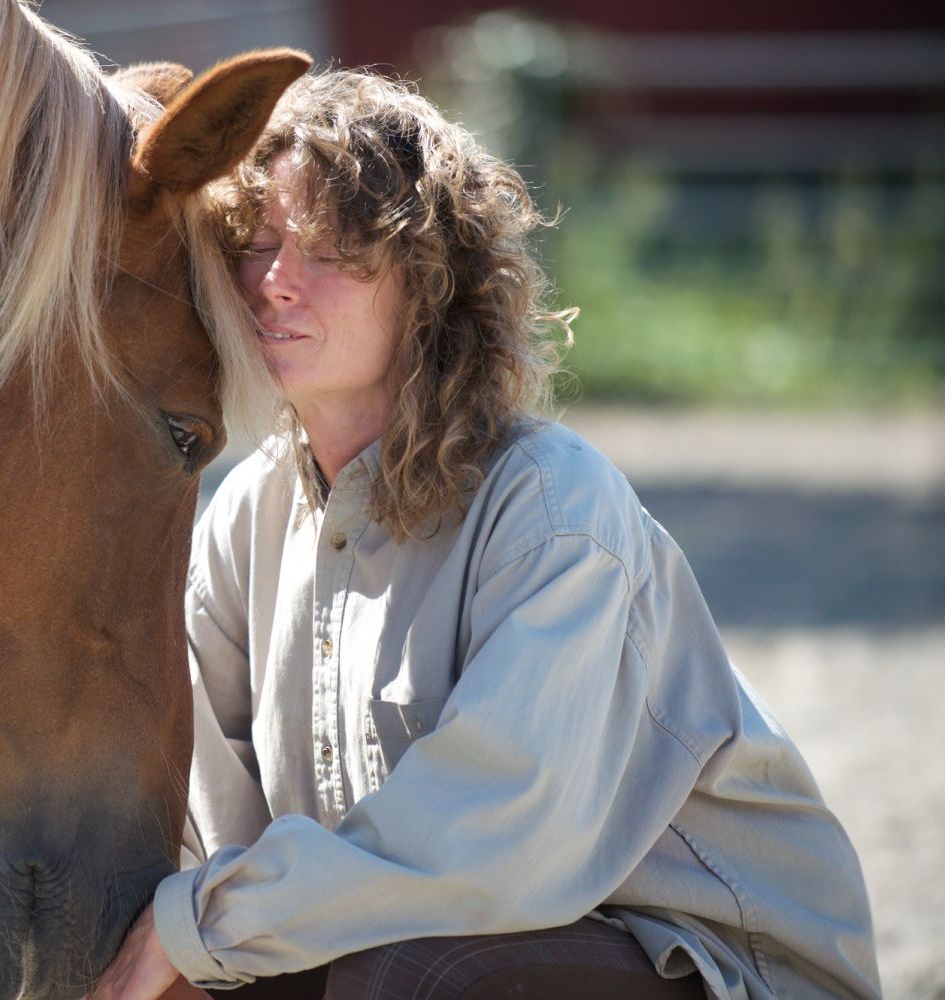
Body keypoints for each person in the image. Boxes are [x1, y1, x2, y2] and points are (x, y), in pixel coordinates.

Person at [91, 71, 879, 1000]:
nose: (273, 284)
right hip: (440, 939)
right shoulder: (245, 517)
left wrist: (209, 926)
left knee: (410, 975)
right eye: (256, 246)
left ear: (426, 282)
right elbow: (218, 836)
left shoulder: (553, 507)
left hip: (708, 956)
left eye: (330, 252)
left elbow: (491, 845)